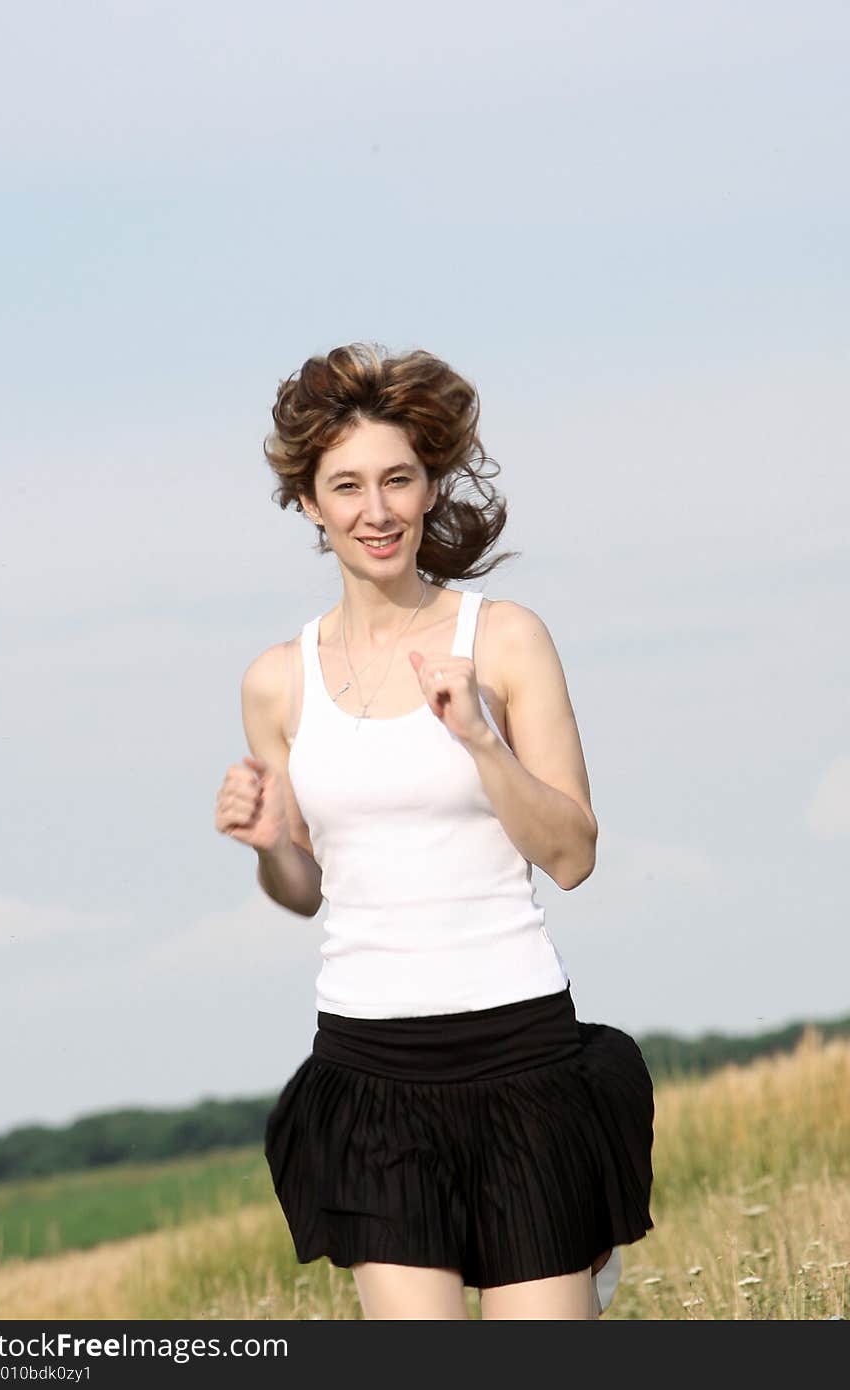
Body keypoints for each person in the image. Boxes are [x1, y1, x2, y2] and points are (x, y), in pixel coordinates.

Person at [215, 342, 655, 1319]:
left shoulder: (502, 639)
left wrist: (481, 744)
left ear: (427, 485)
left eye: (398, 479)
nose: (376, 510)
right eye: (347, 486)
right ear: (307, 503)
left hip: (522, 1060)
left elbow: (574, 854)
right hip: (370, 1073)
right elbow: (305, 887)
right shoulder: (274, 681)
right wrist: (268, 845)